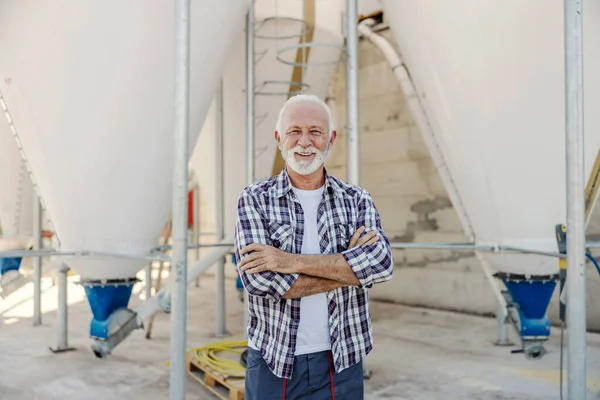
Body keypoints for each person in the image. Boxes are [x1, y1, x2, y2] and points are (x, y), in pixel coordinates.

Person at [234, 94, 394, 399]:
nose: (304, 142)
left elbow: (381, 265)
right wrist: (350, 267)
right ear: (279, 138)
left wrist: (287, 261)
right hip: (274, 357)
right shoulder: (254, 199)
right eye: (294, 131)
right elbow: (258, 281)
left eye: (315, 132)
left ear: (330, 138)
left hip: (343, 357)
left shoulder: (356, 199)